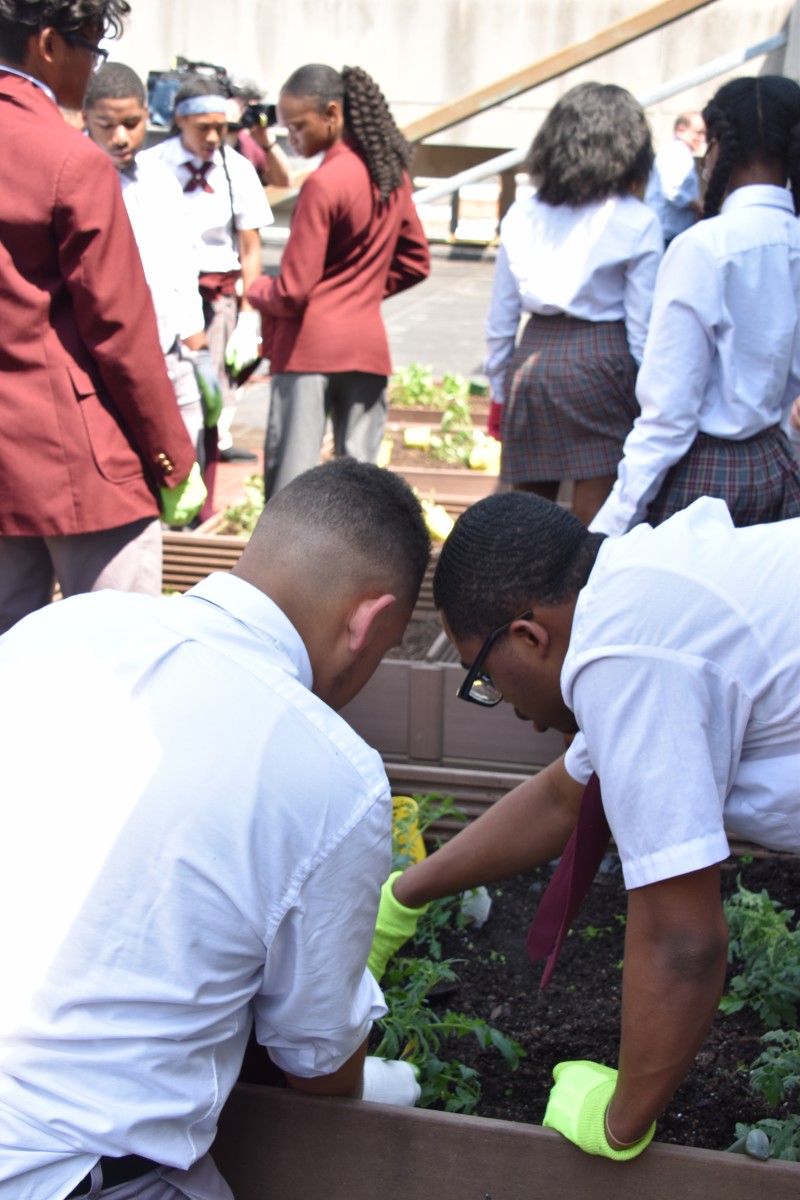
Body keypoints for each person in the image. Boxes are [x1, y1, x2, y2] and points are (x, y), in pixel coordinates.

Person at [0, 458, 431, 1200]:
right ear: (369, 622)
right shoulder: (331, 771)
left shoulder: (57, 625)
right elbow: (317, 1062)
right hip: (64, 1173)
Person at [368, 489, 800, 1161]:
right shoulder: (631, 599)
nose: (501, 703)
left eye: (483, 675)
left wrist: (618, 1122)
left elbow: (684, 942)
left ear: (528, 636)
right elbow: (561, 801)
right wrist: (403, 898)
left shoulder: (627, 656)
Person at [0, 0, 205, 637]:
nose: (94, 67)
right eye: (92, 48)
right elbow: (119, 329)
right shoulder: (69, 160)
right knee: (121, 663)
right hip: (79, 460)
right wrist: (173, 455)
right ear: (47, 45)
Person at [593, 76, 800, 537]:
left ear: (718, 148)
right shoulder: (792, 239)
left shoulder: (704, 247)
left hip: (703, 477)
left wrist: (608, 531)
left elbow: (668, 414)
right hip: (775, 466)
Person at [248, 63, 430, 499]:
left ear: (332, 113)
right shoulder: (391, 176)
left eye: (297, 126)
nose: (291, 138)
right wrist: (361, 290)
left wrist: (252, 288)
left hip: (308, 352)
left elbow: (292, 291)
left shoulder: (324, 183)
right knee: (362, 491)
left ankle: (284, 571)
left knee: (291, 486)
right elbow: (416, 261)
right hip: (366, 349)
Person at [484, 82, 663, 525]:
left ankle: (526, 594)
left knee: (527, 514)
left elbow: (501, 316)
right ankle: (590, 592)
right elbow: (644, 330)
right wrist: (652, 399)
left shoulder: (523, 213)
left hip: (533, 359)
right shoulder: (638, 221)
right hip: (605, 359)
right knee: (599, 511)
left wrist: (497, 390)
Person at [83, 62, 224, 467]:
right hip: (112, 354)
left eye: (131, 122)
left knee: (185, 454)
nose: (120, 137)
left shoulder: (159, 179)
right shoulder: (80, 180)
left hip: (171, 346)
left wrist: (197, 348)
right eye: (106, 124)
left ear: (148, 115)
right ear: (86, 118)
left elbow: (181, 263)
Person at [140, 74, 274, 464]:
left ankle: (203, 476)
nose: (214, 137)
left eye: (221, 127)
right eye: (204, 128)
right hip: (164, 296)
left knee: (209, 395)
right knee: (164, 390)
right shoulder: (151, 166)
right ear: (180, 120)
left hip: (217, 298)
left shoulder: (237, 170)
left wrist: (249, 316)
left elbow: (250, 246)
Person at [643, 111, 706, 246]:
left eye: (703, 134)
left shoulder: (681, 152)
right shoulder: (675, 151)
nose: (701, 138)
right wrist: (698, 205)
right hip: (668, 233)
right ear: (681, 130)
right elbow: (673, 191)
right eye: (698, 132)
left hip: (672, 232)